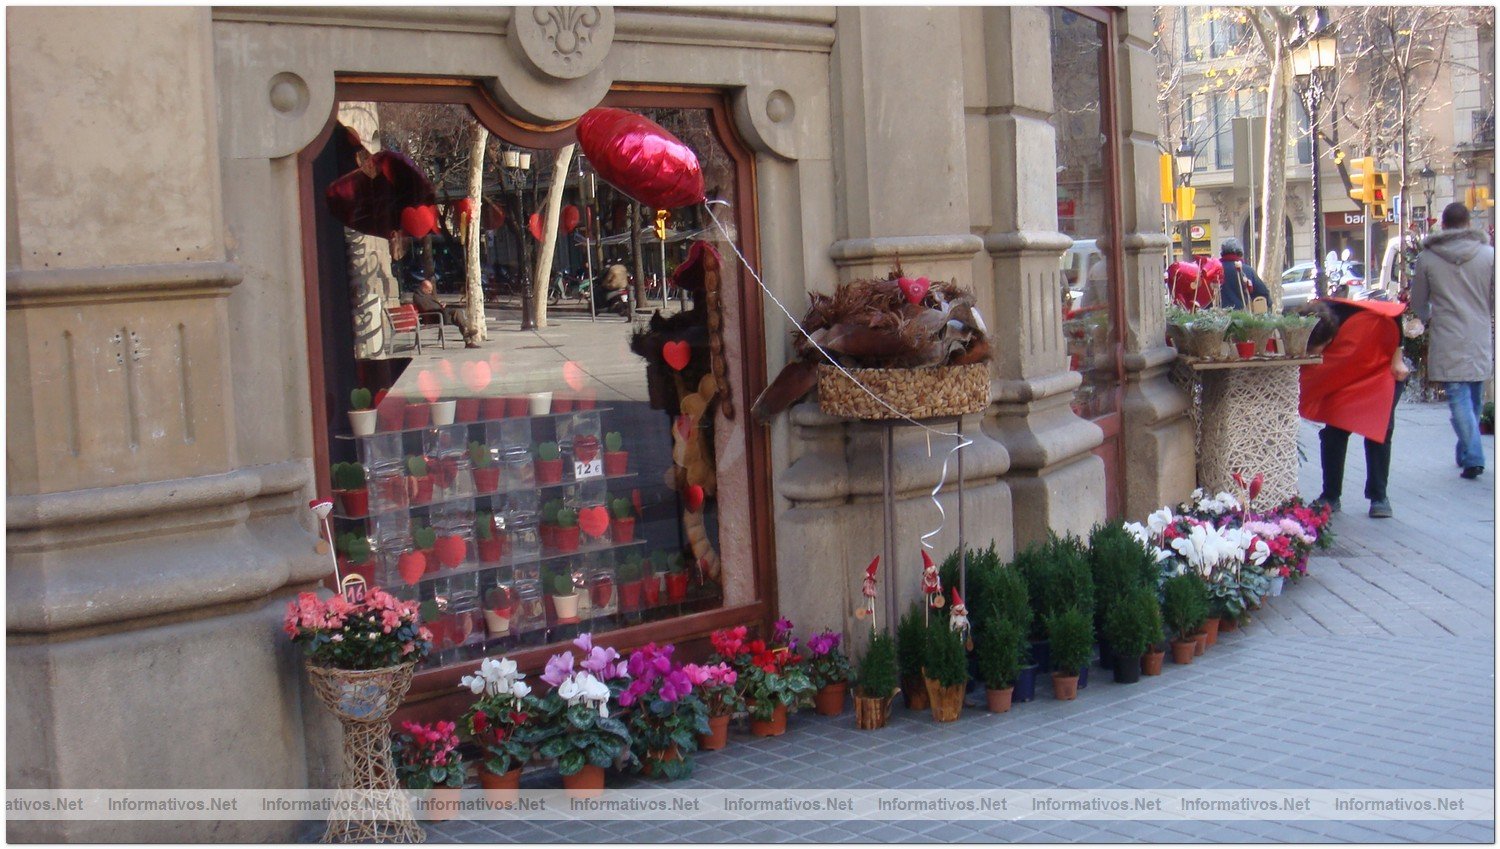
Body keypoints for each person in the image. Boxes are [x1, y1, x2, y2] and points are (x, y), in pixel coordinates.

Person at [1297, 297, 1409, 518]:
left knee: (1380, 431)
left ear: (1329, 337)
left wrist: (1398, 359)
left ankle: (1379, 497)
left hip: (1378, 370)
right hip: (1345, 376)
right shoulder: (1304, 321)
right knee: (1334, 432)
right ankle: (1330, 495)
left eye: (1316, 350)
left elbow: (1395, 314)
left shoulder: (1350, 313)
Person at [1410, 202, 1496, 480]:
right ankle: (1469, 453)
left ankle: (1470, 454)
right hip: (1479, 332)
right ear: (1469, 223)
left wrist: (1430, 316)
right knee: (1473, 393)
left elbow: (1418, 302)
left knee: (1459, 394)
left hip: (1447, 332)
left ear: (1443, 225)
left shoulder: (1428, 258)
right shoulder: (1488, 255)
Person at [413, 278, 479, 348]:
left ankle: (467, 336)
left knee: (458, 313)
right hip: (432, 317)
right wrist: (439, 308)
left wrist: (440, 304)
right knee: (457, 314)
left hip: (438, 314)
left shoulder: (425, 295)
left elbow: (432, 304)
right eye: (429, 290)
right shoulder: (418, 296)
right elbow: (426, 308)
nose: (430, 292)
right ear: (423, 287)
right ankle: (467, 337)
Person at [1217, 238, 1270, 311]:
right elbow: (1263, 293)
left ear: (1222, 253)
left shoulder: (1214, 270)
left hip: (1217, 316)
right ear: (1240, 253)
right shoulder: (1247, 270)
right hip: (1242, 316)